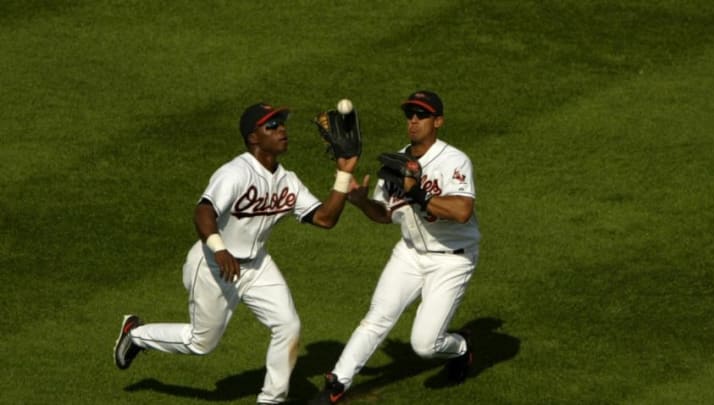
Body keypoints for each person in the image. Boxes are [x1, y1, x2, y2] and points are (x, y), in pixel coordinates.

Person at [114, 102, 360, 405]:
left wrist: (343, 174)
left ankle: (271, 400)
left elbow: (325, 219)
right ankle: (136, 334)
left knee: (288, 325)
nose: (282, 129)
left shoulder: (288, 180)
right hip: (212, 265)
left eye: (282, 123)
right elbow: (203, 211)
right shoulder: (235, 173)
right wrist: (219, 250)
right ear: (253, 138)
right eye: (272, 126)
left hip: (257, 265)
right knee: (201, 343)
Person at [310, 90, 481, 404]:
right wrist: (362, 203)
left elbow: (462, 211)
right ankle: (337, 384)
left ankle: (462, 347)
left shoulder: (454, 160)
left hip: (451, 260)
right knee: (377, 317)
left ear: (438, 121)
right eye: (410, 115)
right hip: (410, 254)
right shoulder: (395, 162)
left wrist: (419, 195)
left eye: (422, 115)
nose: (413, 121)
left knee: (425, 345)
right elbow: (385, 214)